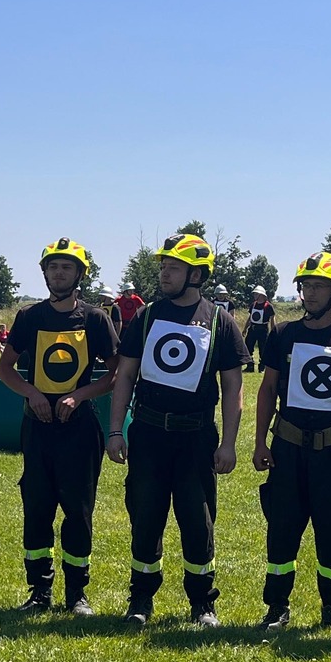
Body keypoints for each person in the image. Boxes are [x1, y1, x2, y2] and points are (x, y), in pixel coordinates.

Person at [107, 233, 245, 627]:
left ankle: (203, 602)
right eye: (163, 267)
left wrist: (229, 444)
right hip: (149, 433)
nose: (164, 274)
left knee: (197, 521)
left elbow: (233, 387)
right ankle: (140, 599)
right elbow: (125, 375)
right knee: (145, 516)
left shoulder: (219, 321)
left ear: (196, 274)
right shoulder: (146, 316)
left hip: (196, 437)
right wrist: (115, 430)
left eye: (173, 267)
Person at [252, 250, 331, 631]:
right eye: (306, 285)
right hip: (287, 448)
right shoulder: (283, 334)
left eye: (319, 286)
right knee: (282, 529)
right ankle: (276, 607)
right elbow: (267, 389)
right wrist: (260, 442)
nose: (310, 293)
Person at [0, 238, 117, 614]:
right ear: (44, 273)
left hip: (79, 429)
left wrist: (80, 395)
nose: (59, 273)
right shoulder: (29, 317)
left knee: (78, 511)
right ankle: (39, 591)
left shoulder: (95, 319)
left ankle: (76, 593)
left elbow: (115, 374)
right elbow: (5, 368)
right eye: (53, 266)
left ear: (80, 274)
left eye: (67, 267)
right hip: (37, 428)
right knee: (37, 509)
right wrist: (31, 392)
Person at [243, 286, 274, 372]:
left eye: (256, 294)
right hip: (252, 329)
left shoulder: (268, 306)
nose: (254, 295)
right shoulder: (253, 305)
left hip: (263, 329)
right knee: (248, 346)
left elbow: (272, 319)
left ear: (261, 295)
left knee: (263, 348)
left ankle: (262, 367)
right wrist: (245, 328)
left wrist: (273, 331)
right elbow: (250, 318)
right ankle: (250, 365)